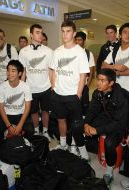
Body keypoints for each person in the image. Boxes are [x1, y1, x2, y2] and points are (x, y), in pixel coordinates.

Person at [50, 20, 90, 160]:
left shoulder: (80, 52)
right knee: (61, 120)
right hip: (58, 94)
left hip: (73, 95)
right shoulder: (57, 51)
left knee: (76, 124)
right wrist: (53, 88)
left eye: (68, 31)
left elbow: (83, 74)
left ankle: (79, 147)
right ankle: (63, 145)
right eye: (63, 31)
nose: (65, 34)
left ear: (73, 33)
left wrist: (78, 94)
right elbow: (53, 71)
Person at [84, 68, 129, 185]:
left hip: (119, 124)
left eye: (102, 80)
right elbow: (92, 110)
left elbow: (119, 123)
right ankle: (82, 153)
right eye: (98, 79)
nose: (98, 83)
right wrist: (86, 123)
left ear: (111, 83)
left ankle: (109, 171)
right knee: (77, 124)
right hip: (105, 119)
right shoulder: (97, 92)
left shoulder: (120, 97)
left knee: (109, 143)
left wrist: (97, 130)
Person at [19, 24, 52, 140]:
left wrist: (53, 86)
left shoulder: (48, 51)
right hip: (30, 88)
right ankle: (37, 131)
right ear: (31, 35)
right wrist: (21, 87)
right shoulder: (23, 51)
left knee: (45, 111)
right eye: (37, 32)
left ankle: (46, 130)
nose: (40, 35)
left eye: (41, 32)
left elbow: (51, 70)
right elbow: (22, 71)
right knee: (33, 112)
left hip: (46, 87)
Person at [0, 60, 34, 143]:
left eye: (13, 71)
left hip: (20, 114)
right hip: (6, 115)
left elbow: (27, 108)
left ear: (19, 74)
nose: (10, 73)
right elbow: (1, 109)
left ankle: (21, 143)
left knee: (30, 130)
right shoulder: (1, 87)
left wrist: (20, 126)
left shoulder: (25, 87)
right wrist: (9, 126)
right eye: (8, 70)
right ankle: (6, 141)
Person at [102, 23, 129, 92]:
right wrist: (115, 66)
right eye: (125, 32)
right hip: (115, 88)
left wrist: (117, 73)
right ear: (120, 35)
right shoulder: (115, 51)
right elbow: (103, 65)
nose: (127, 35)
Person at [75, 31, 95, 115]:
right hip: (72, 85)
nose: (77, 42)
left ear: (84, 41)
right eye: (76, 40)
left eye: (79, 40)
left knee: (84, 106)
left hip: (84, 85)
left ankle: (83, 123)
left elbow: (91, 71)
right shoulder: (72, 52)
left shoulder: (88, 54)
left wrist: (87, 86)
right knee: (74, 105)